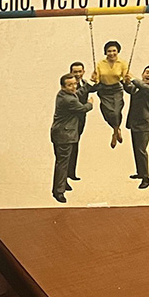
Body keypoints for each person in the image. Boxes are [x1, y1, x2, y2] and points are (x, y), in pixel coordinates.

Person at [50, 74, 93, 203]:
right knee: (62, 164)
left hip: (61, 133)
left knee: (63, 162)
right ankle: (59, 192)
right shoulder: (69, 100)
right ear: (63, 87)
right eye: (70, 85)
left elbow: (78, 93)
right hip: (65, 135)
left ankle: (62, 184)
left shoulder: (63, 94)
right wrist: (90, 103)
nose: (74, 87)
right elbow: (83, 108)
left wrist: (90, 83)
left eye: (75, 84)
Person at [122, 65, 149, 190]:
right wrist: (125, 81)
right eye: (147, 72)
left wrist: (132, 78)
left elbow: (142, 86)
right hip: (135, 123)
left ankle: (146, 178)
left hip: (145, 125)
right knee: (136, 150)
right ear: (143, 74)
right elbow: (130, 89)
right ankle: (140, 172)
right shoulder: (138, 88)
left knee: (141, 150)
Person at [90, 40, 130, 149]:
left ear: (118, 51)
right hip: (104, 90)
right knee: (107, 112)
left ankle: (115, 133)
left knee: (116, 111)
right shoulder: (100, 63)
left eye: (114, 51)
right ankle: (117, 129)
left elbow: (125, 76)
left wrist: (127, 79)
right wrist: (94, 78)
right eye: (109, 51)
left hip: (116, 89)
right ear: (105, 52)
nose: (111, 53)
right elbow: (97, 78)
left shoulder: (122, 63)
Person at [67, 61, 95, 182]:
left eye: (80, 71)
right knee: (69, 147)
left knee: (75, 145)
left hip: (81, 120)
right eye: (75, 72)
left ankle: (71, 173)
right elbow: (78, 94)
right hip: (70, 121)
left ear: (83, 72)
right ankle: (66, 175)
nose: (78, 74)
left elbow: (94, 87)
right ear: (71, 72)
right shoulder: (69, 85)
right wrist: (89, 104)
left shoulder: (84, 83)